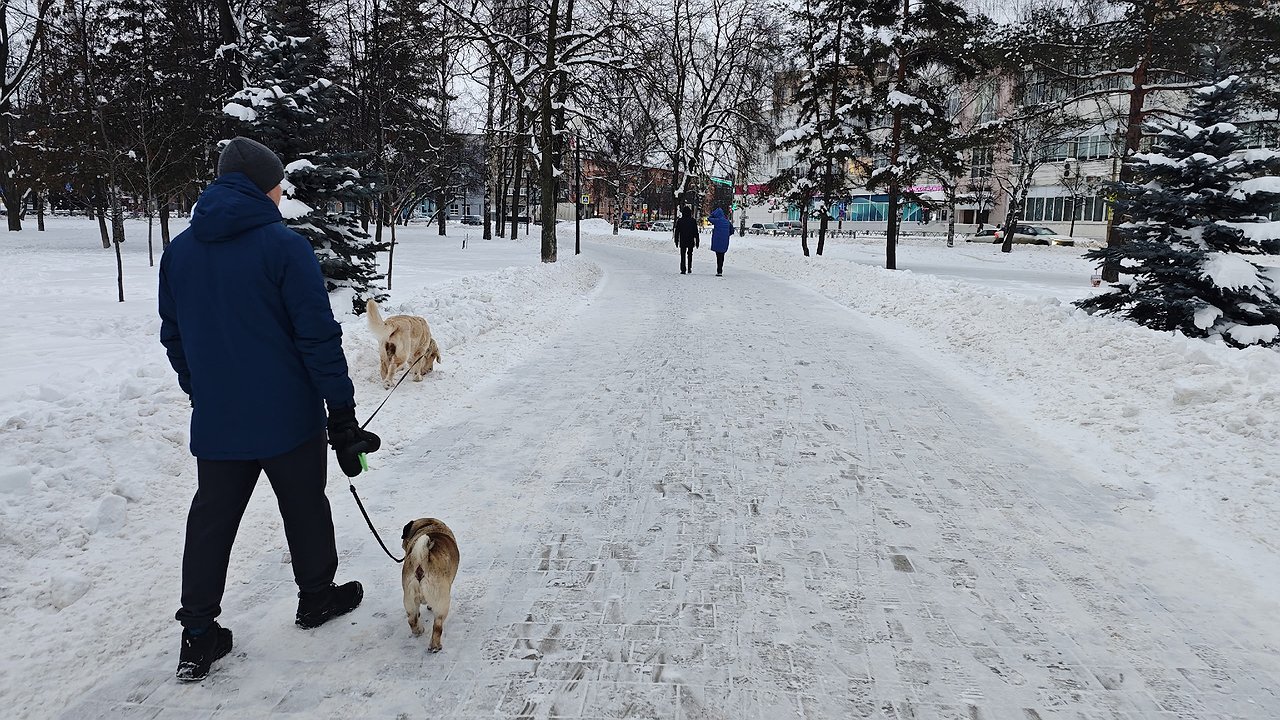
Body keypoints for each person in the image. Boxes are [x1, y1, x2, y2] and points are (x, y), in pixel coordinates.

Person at [158, 136, 381, 682]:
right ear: (264, 186)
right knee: (304, 504)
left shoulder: (179, 252)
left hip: (218, 423)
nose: (282, 196)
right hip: (288, 419)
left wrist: (200, 390)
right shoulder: (284, 248)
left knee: (211, 521)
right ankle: (316, 597)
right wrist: (342, 412)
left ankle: (198, 635)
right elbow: (318, 338)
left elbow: (174, 337)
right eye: (279, 186)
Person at [708, 207, 734, 276]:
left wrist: (712, 215)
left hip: (717, 240)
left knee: (718, 255)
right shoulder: (727, 221)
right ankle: (720, 270)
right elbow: (732, 231)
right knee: (722, 255)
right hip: (725, 240)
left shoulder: (716, 220)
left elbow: (709, 218)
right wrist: (726, 235)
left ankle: (719, 270)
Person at [674, 205, 699, 274]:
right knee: (690, 254)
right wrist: (697, 241)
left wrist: (676, 241)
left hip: (683, 240)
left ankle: (683, 269)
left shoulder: (680, 220)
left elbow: (677, 232)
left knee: (682, 255)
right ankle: (689, 268)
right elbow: (696, 232)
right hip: (690, 240)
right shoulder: (693, 221)